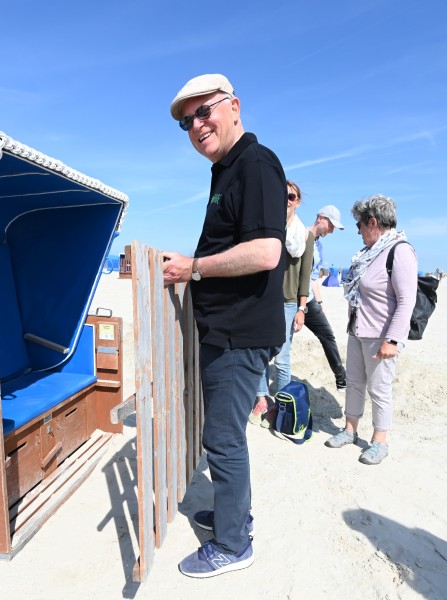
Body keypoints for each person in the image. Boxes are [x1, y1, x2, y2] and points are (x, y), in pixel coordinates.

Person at [162, 73, 286, 577]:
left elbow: (264, 252)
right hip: (226, 331)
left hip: (239, 335)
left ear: (233, 105)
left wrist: (193, 267)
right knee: (226, 435)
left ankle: (234, 545)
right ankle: (235, 516)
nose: (196, 125)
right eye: (186, 121)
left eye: (204, 111)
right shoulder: (226, 170)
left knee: (223, 439)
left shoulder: (255, 164)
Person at [325, 194, 417, 465]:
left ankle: (379, 442)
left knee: (379, 389)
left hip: (380, 336)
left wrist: (393, 340)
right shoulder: (368, 254)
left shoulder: (399, 251)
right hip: (357, 330)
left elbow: (406, 301)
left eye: (360, 226)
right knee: (354, 383)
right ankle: (350, 430)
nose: (358, 232)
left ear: (373, 222)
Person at [250, 180, 313, 425]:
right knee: (260, 354)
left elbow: (305, 274)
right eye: (282, 195)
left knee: (283, 357)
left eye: (291, 197)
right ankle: (262, 399)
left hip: (288, 303)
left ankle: (283, 406)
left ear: (297, 202)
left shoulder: (304, 235)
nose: (286, 200)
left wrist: (302, 308)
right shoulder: (267, 228)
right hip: (264, 299)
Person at [303, 205, 348, 389]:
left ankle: (341, 377)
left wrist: (320, 303)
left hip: (309, 301)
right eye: (331, 226)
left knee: (327, 334)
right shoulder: (300, 234)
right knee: (279, 344)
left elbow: (313, 279)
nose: (331, 231)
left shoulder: (319, 248)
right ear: (321, 218)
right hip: (290, 299)